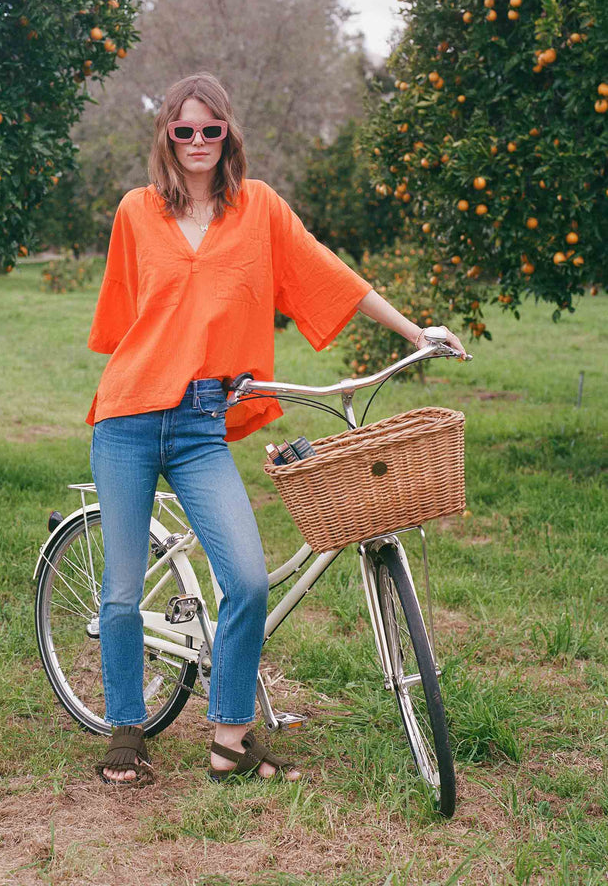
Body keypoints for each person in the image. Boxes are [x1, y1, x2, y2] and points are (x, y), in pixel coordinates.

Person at [85, 72, 465, 786]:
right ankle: (126, 731)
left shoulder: (257, 209)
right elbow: (123, 321)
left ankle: (228, 740)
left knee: (249, 581)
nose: (198, 142)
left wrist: (417, 330)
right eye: (184, 130)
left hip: (202, 422)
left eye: (211, 130)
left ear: (228, 134)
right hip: (129, 417)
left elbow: (332, 275)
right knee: (121, 591)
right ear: (166, 136)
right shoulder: (136, 212)